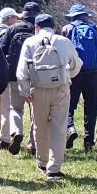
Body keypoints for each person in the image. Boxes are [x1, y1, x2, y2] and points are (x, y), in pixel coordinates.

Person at [16, 13, 82, 180]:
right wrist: (67, 77)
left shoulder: (30, 42)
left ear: (36, 28)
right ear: (54, 27)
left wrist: (25, 91)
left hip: (37, 89)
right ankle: (54, 168)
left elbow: (21, 72)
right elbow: (77, 64)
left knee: (39, 125)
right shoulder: (63, 41)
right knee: (59, 127)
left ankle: (43, 161)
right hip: (61, 88)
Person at [61, 4, 97, 151]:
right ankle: (89, 141)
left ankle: (70, 129)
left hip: (73, 73)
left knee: (68, 105)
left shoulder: (67, 29)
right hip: (93, 74)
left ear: (73, 16)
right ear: (86, 15)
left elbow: (61, 53)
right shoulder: (96, 29)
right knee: (91, 107)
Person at [2, 2, 41, 155]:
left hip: (14, 75)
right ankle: (33, 144)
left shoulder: (12, 29)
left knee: (15, 108)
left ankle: (17, 131)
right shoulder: (37, 30)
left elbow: (2, 50)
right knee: (35, 110)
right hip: (34, 75)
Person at [0, 7, 20, 148]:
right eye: (14, 17)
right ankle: (5, 139)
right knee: (6, 108)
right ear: (8, 19)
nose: (17, 20)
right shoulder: (11, 33)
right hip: (5, 76)